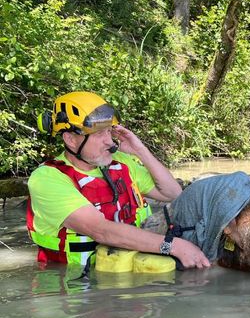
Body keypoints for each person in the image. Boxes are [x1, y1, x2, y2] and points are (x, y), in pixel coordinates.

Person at [27, 91, 211, 268]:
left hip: (132, 269)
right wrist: (173, 246)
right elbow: (100, 230)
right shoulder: (46, 179)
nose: (110, 141)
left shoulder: (121, 163)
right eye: (100, 134)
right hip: (77, 286)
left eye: (109, 132)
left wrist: (140, 150)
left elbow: (173, 193)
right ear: (70, 139)